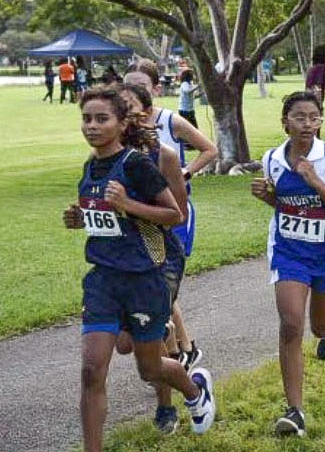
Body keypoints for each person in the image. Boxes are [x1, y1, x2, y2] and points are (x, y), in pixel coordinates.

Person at [64, 87, 215, 452]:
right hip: (102, 278)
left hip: (143, 278)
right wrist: (81, 217)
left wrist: (127, 204)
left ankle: (194, 389)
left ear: (119, 123)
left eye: (102, 119)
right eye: (87, 118)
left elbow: (173, 215)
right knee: (91, 370)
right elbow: (105, 217)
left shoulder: (137, 164)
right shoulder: (91, 165)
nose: (93, 126)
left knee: (149, 369)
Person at [249, 91, 325, 437]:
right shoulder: (272, 159)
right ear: (285, 122)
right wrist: (268, 198)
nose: (307, 124)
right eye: (299, 117)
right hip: (289, 251)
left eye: (314, 117)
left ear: (321, 121)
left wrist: (315, 181)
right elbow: (286, 205)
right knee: (291, 324)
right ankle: (295, 412)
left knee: (319, 328)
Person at [124, 61, 219, 368]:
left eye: (140, 85)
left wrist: (186, 172)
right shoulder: (120, 126)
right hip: (142, 218)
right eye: (127, 86)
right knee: (155, 280)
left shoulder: (170, 121)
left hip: (174, 212)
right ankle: (183, 347)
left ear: (155, 89)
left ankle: (180, 348)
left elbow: (210, 149)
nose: (131, 92)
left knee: (162, 279)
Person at [113, 83, 191, 434]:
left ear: (145, 113)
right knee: (125, 344)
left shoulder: (165, 157)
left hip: (159, 257)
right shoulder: (103, 158)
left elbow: (179, 215)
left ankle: (166, 407)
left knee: (147, 335)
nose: (123, 114)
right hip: (120, 259)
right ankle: (165, 329)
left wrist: (131, 208)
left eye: (128, 107)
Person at [178, 69, 201, 133]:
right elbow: (188, 91)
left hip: (190, 110)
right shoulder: (184, 84)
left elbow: (192, 96)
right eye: (192, 74)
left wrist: (201, 94)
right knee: (189, 130)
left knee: (194, 129)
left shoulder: (190, 83)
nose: (193, 76)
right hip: (184, 111)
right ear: (188, 75)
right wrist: (198, 86)